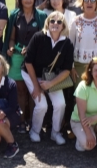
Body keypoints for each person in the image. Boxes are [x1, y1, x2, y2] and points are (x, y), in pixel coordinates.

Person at [22, 12, 74, 145]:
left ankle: (55, 132)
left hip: (51, 77)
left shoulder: (67, 43)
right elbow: (28, 63)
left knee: (60, 103)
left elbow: (67, 70)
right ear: (48, 23)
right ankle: (35, 131)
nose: (55, 24)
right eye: (52, 21)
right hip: (31, 73)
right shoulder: (39, 37)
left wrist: (50, 83)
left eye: (59, 22)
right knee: (42, 104)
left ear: (63, 26)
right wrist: (37, 87)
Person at [4, 0, 47, 133]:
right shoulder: (14, 15)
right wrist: (11, 48)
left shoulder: (41, 16)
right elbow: (11, 38)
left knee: (33, 91)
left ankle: (34, 123)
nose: (28, 0)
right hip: (17, 58)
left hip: (35, 59)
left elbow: (44, 39)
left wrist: (30, 49)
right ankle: (21, 121)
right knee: (20, 91)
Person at [70, 0, 97, 82]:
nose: (89, 2)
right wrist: (71, 67)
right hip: (79, 64)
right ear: (82, 3)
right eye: (86, 0)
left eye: (92, 0)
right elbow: (70, 45)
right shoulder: (75, 21)